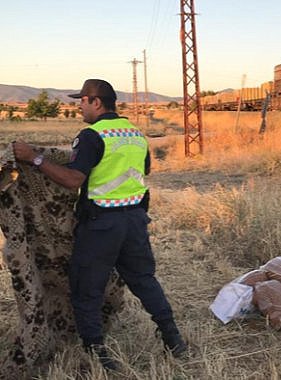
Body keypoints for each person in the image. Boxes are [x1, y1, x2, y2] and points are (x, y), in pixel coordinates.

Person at [12, 79, 186, 371]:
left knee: (86, 289)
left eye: (81, 101)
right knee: (144, 279)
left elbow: (73, 180)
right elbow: (141, 171)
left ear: (96, 102)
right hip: (134, 221)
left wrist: (35, 158)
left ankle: (97, 353)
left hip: (102, 223)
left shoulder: (91, 136)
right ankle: (173, 337)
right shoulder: (135, 134)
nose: (78, 106)